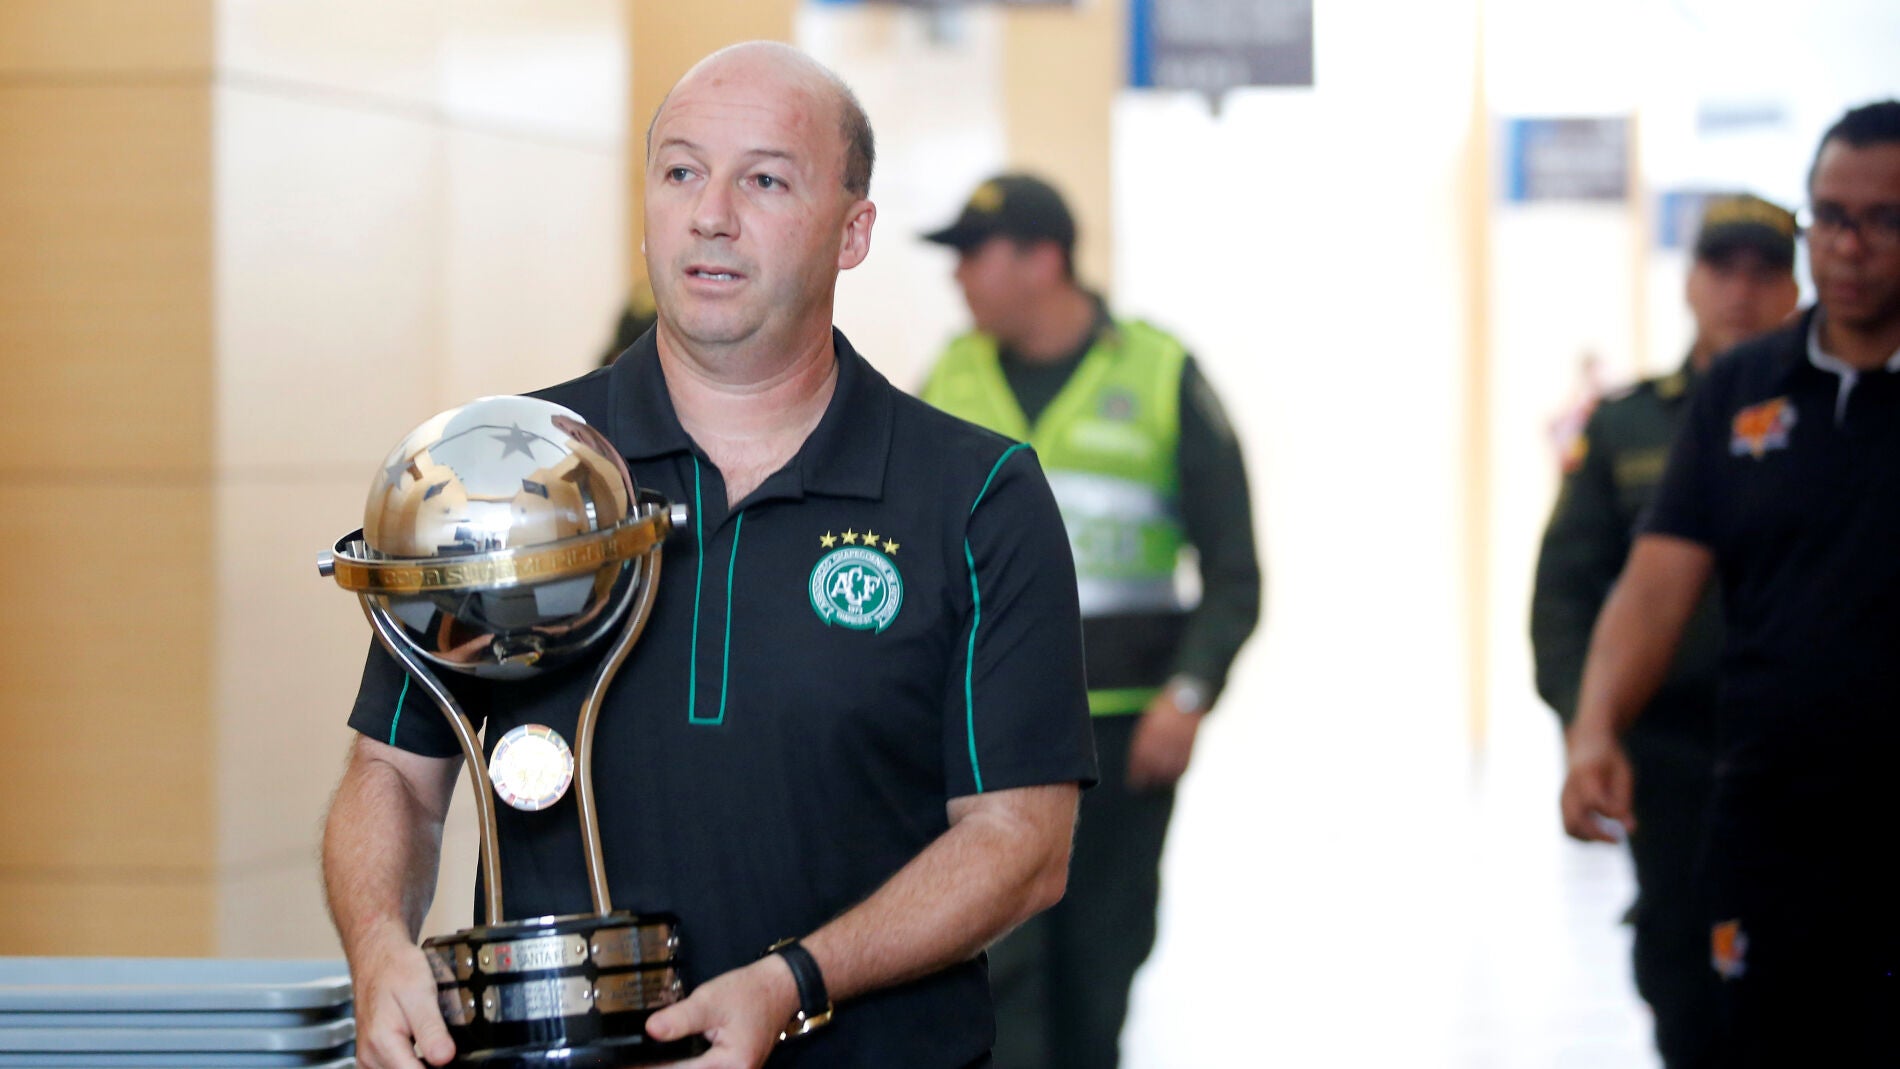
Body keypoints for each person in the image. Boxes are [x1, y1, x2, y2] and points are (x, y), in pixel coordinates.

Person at [322, 42, 1097, 1069]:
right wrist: (378, 946)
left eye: (765, 179)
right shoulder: (504, 473)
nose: (711, 214)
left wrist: (794, 982)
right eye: (681, 171)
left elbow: (1022, 842)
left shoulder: (974, 493)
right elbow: (392, 774)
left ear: (852, 230)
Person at [1560, 99, 1900, 1065]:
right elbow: (1652, 585)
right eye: (1829, 216)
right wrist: (1593, 729)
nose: (1851, 245)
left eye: (1884, 220)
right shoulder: (1741, 388)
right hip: (1764, 815)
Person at [918, 174, 1261, 1069]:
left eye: (975, 257)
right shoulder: (948, 376)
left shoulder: (1158, 372)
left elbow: (1235, 567)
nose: (959, 280)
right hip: (984, 737)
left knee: (1098, 970)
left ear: (1044, 260)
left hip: (1123, 737)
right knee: (1000, 961)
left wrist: (1188, 695)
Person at [1531, 193, 1798, 1069]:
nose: (1742, 292)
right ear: (1690, 282)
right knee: (1683, 963)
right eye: (1723, 268)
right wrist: (1587, 725)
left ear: (1792, 288)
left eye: (1765, 271)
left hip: (1807, 748)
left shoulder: (1842, 414)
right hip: (1673, 746)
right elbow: (1567, 592)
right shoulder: (1630, 423)